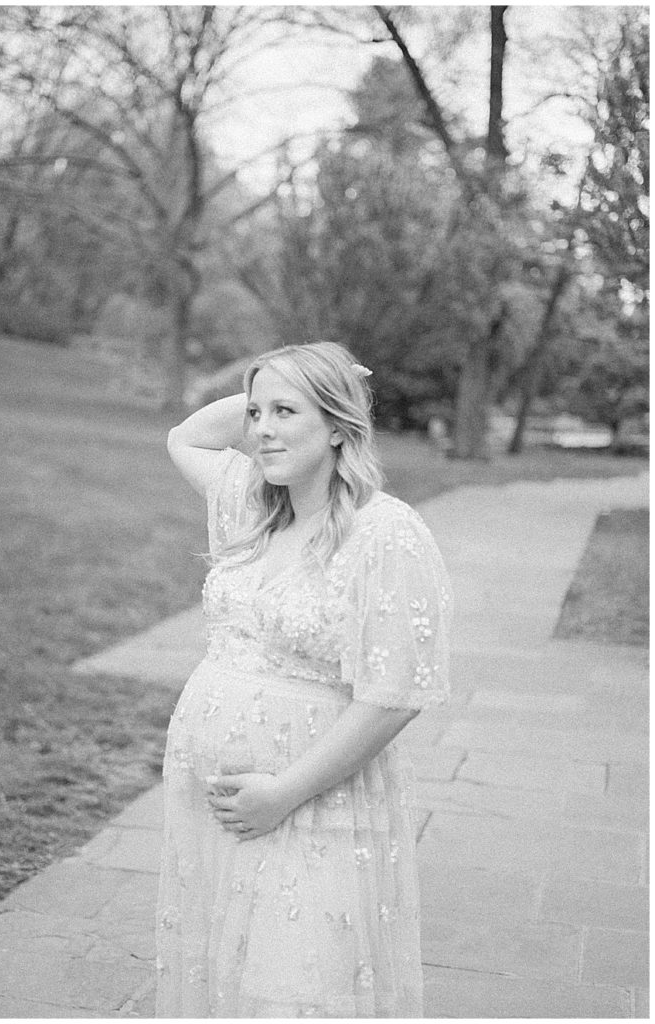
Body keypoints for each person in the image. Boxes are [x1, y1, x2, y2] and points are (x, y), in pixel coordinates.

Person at [155, 341, 452, 1018]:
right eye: (255, 412)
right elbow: (187, 435)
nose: (260, 428)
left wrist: (283, 793)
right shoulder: (255, 507)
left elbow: (394, 696)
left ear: (339, 426)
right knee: (227, 978)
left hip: (313, 802)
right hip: (213, 806)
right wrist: (282, 387)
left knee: (298, 988)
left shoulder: (385, 533)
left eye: (285, 411)